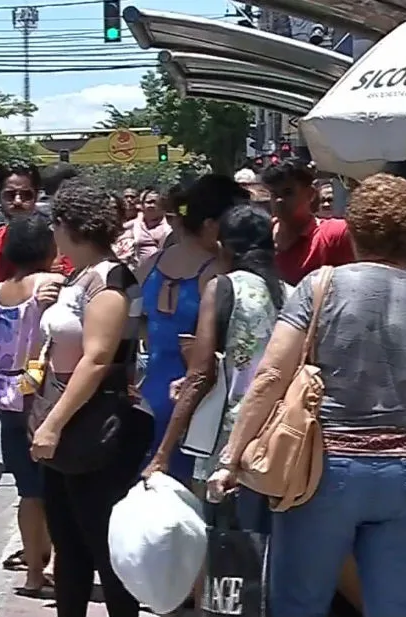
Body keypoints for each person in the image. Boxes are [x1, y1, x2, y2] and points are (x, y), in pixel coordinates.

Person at [208, 174, 406, 617]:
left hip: (322, 470)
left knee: (299, 602)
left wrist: (233, 456)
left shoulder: (320, 287)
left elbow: (272, 374)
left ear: (351, 230)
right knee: (398, 607)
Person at [29, 178, 152, 617]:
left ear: (68, 225)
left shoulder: (109, 282)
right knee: (70, 543)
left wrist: (53, 424)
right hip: (75, 422)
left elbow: (98, 360)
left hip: (96, 423)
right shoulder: (81, 277)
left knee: (104, 545)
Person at [142, 202, 289, 532]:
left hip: (224, 444)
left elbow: (200, 374)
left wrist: (163, 453)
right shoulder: (290, 293)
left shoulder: (223, 287)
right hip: (276, 440)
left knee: (220, 545)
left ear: (223, 246)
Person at [134, 175, 242, 484]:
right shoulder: (221, 273)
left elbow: (135, 326)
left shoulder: (150, 264)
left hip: (151, 391)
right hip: (197, 398)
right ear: (211, 225)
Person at [0, 212, 64, 597]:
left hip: (8, 397)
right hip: (41, 397)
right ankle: (56, 567)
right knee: (53, 488)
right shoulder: (50, 284)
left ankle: (33, 574)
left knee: (27, 492)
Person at [0, 162, 74, 324]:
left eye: (26, 195)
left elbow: (82, 287)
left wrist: (59, 292)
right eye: (10, 195)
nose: (17, 201)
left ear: (36, 196)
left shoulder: (61, 238)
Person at [262, 159, 354, 284]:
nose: (279, 200)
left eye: (288, 192)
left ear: (310, 194)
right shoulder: (260, 236)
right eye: (274, 194)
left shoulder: (335, 234)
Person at [133, 187, 172, 261]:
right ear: (142, 205)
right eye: (149, 202)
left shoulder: (170, 225)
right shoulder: (136, 224)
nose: (152, 205)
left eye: (155, 202)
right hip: (140, 269)